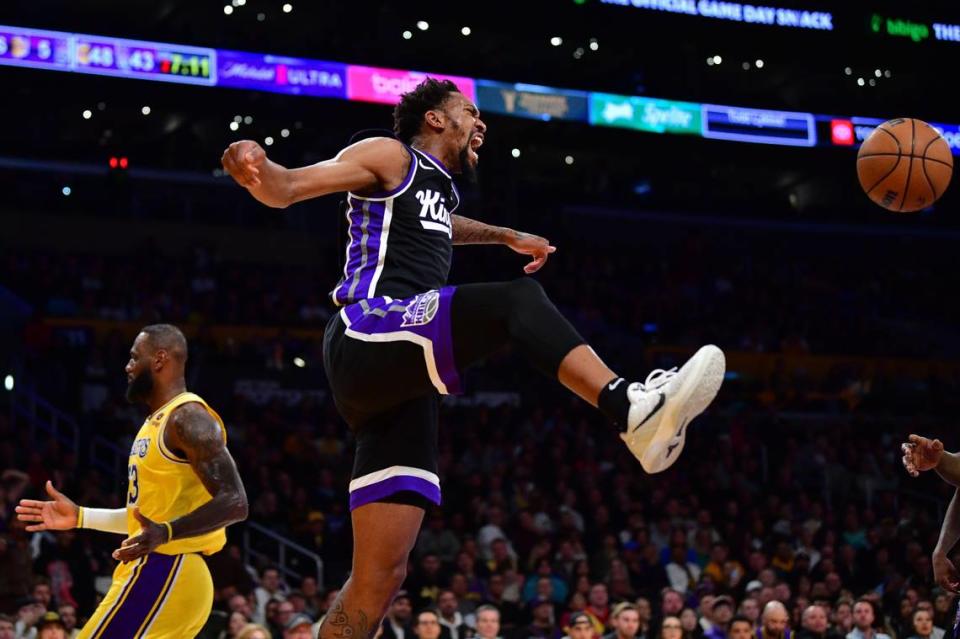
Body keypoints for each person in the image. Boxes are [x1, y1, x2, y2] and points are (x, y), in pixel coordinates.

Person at [223, 76, 725, 639]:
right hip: (368, 327)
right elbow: (288, 187)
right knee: (517, 299)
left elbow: (442, 227)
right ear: (436, 119)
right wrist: (257, 168)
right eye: (469, 111)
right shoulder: (389, 154)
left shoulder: (438, 192)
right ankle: (629, 407)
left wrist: (506, 234)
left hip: (398, 386)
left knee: (381, 577)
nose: (480, 122)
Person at [16, 324, 249, 638]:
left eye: (134, 357)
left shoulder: (188, 416)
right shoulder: (155, 423)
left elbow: (235, 501)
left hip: (167, 569)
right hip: (170, 573)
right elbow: (147, 521)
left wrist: (166, 532)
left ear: (159, 359)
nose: (127, 367)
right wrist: (81, 517)